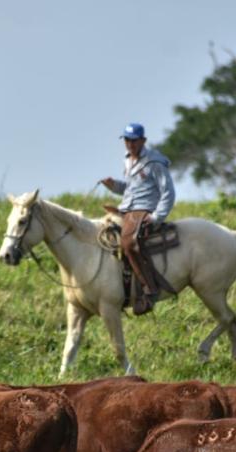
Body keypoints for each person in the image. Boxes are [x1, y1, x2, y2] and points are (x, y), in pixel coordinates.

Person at [99, 122, 176, 314]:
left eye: (134, 141)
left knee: (128, 243)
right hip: (127, 209)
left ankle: (149, 289)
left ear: (143, 140)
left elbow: (168, 192)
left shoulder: (154, 162)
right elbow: (131, 189)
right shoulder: (127, 160)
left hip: (143, 210)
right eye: (127, 140)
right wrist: (114, 186)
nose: (130, 144)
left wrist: (157, 216)